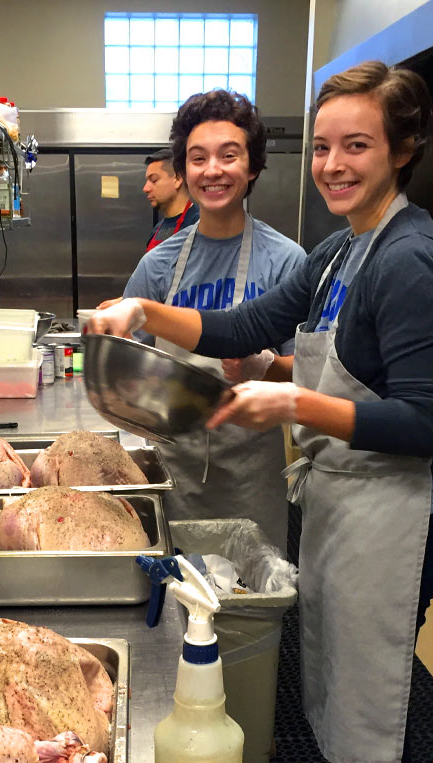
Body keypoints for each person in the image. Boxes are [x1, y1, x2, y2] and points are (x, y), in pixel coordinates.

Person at [90, 61, 433, 763]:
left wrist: (291, 399)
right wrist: (142, 310)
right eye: (323, 147)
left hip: (394, 515)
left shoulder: (412, 258)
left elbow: (422, 422)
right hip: (340, 502)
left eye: (357, 145)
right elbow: (243, 325)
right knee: (330, 698)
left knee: (368, 713)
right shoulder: (342, 249)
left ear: (403, 149)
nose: (333, 165)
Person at [121, 89, 306, 551]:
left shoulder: (287, 262)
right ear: (183, 172)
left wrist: (262, 368)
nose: (214, 170)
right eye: (198, 158)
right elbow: (130, 368)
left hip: (251, 473)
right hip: (174, 469)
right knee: (175, 605)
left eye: (230, 155)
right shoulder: (158, 266)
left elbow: (309, 373)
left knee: (252, 605)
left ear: (254, 167)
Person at [143, 147, 199, 251]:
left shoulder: (199, 224)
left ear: (177, 179)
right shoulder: (158, 228)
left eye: (154, 180)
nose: (145, 188)